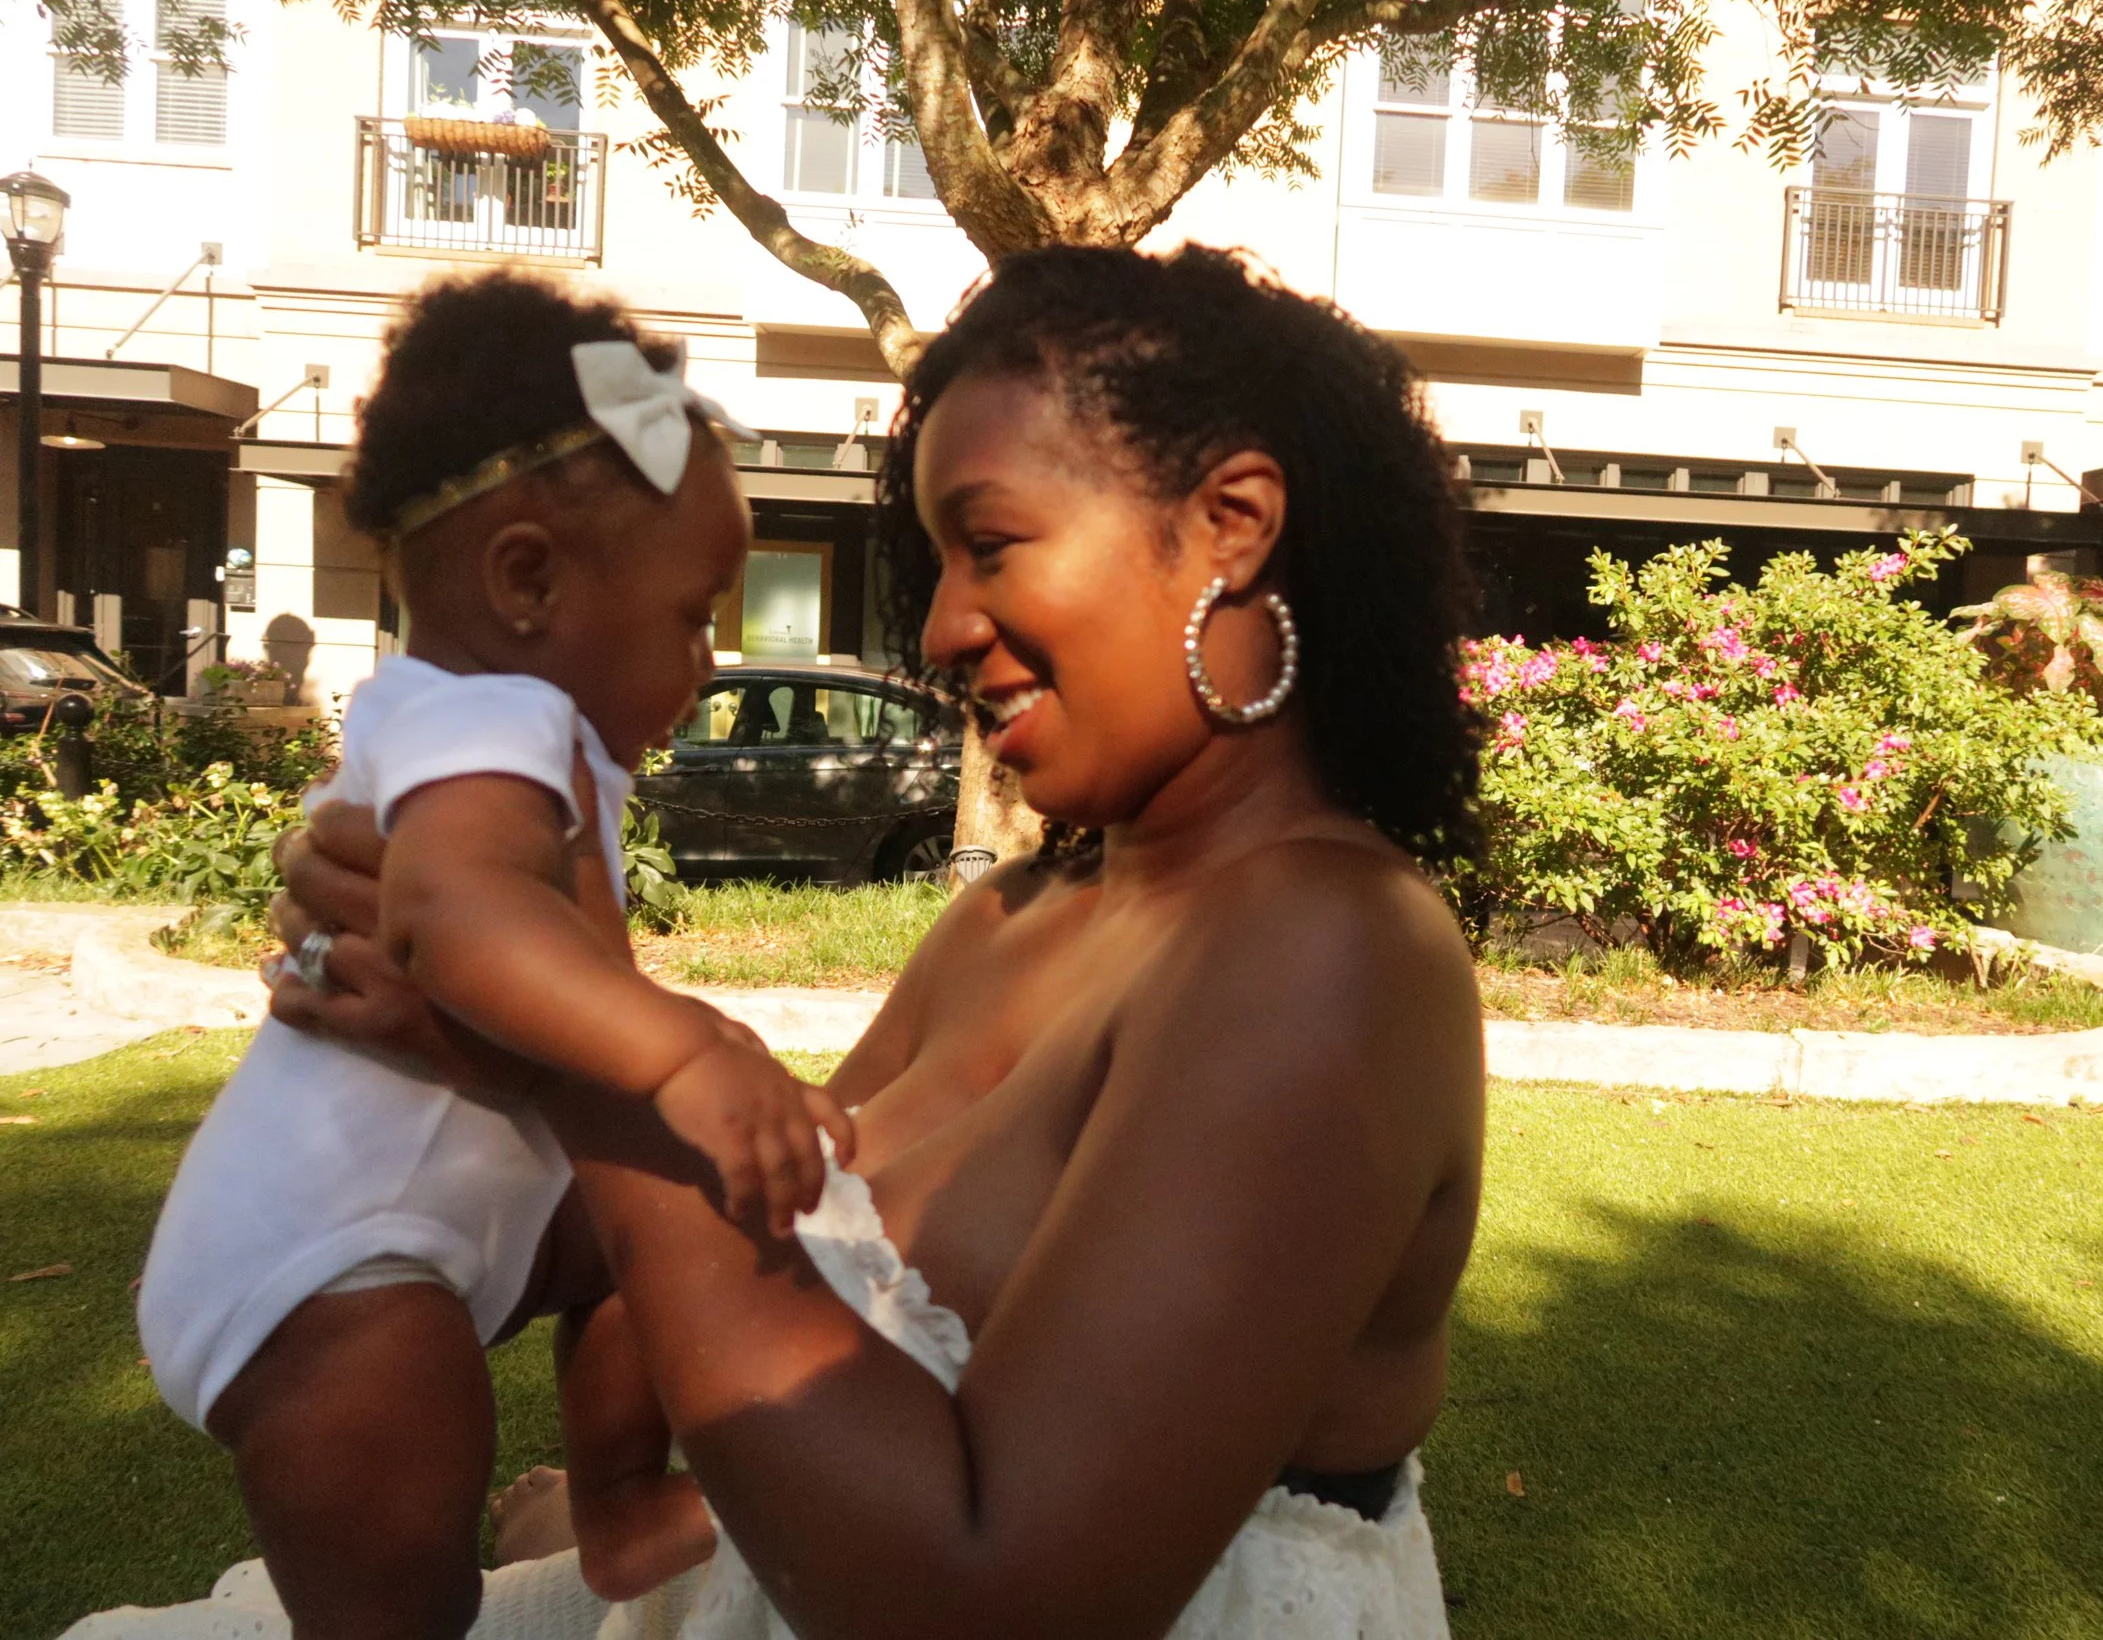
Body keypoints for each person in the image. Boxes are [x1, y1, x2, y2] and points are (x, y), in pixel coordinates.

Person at [83, 243, 1488, 1639]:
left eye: (988, 542)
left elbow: (987, 1602)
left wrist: (579, 1062)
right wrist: (455, 1032)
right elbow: (756, 1214)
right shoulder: (1013, 914)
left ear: (1232, 522)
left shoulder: (1331, 956)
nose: (937, 627)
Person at [126, 273, 846, 1640]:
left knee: (666, 1208)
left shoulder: (510, 723)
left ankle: (620, 1503)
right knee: (403, 1572)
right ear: (525, 580)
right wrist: (686, 1044)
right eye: (693, 615)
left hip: (447, 1224)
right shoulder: (489, 717)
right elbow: (453, 917)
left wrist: (689, 1053)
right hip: (326, 1267)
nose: (706, 662)